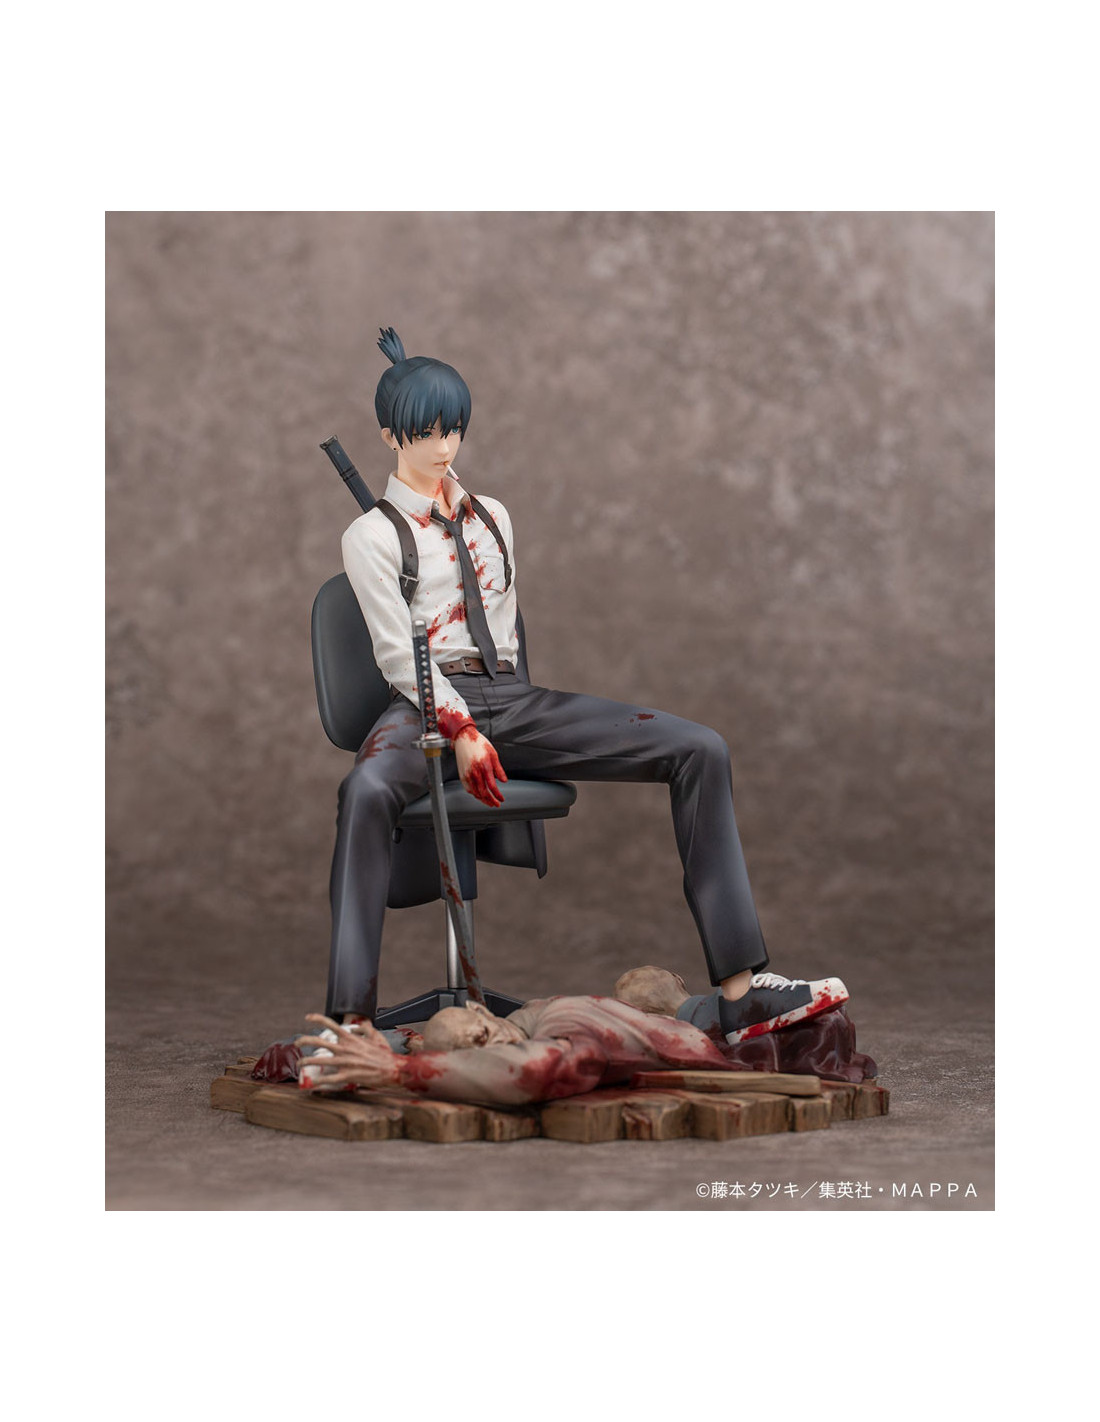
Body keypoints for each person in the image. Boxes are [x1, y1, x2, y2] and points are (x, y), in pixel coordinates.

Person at [326, 327, 840, 1033]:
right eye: (425, 433)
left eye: (453, 429)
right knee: (364, 791)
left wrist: (502, 717)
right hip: (422, 703)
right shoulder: (370, 537)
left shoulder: (493, 519)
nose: (444, 447)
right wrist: (461, 728)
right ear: (390, 436)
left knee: (700, 747)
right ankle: (350, 1023)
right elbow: (394, 654)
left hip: (510, 696)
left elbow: (504, 635)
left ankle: (740, 990)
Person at [296, 964, 850, 1107]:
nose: (491, 1040)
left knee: (639, 983)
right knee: (638, 996)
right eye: (477, 1049)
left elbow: (439, 1037)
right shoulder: (560, 1042)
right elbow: (535, 1071)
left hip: (675, 1018)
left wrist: (401, 1050)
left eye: (481, 1029)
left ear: (480, 1011)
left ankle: (738, 1007)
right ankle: (739, 1021)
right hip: (698, 1045)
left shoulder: (532, 1016)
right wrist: (399, 1067)